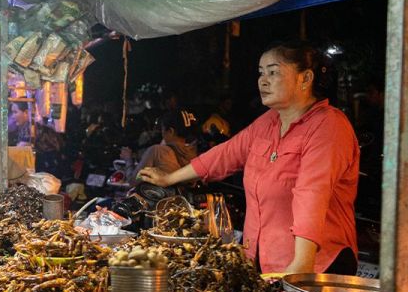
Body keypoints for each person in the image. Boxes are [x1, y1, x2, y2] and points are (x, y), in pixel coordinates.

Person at [139, 41, 359, 275]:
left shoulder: (329, 125)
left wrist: (302, 266)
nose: (263, 81)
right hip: (265, 260)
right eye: (261, 73)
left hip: (316, 266)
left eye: (273, 72)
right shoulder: (269, 122)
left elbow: (312, 195)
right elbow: (224, 155)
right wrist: (169, 178)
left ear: (305, 78)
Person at [130, 109, 200, 181]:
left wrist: (128, 159)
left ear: (170, 131)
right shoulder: (194, 153)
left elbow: (133, 181)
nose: (162, 134)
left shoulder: (156, 151)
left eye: (163, 129)